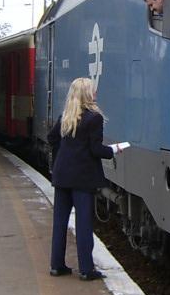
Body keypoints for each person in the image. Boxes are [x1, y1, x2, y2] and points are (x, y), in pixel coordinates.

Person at [47, 77, 121, 281]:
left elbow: (52, 138)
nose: (95, 93)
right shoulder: (94, 118)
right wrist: (114, 150)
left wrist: (62, 158)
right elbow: (96, 149)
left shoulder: (65, 117)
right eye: (92, 90)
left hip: (62, 177)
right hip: (82, 179)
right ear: (87, 94)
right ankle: (86, 269)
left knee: (59, 223)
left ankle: (56, 266)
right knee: (84, 224)